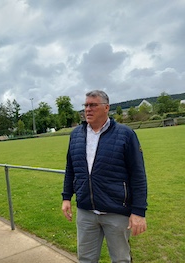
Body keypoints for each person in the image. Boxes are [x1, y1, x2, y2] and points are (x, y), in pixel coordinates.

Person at [61, 90, 148, 263]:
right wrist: (66, 197)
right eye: (85, 105)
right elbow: (71, 168)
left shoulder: (125, 134)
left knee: (121, 259)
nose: (88, 109)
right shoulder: (76, 135)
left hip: (116, 211)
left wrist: (138, 211)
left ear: (106, 107)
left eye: (93, 105)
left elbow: (138, 174)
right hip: (86, 211)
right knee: (85, 258)